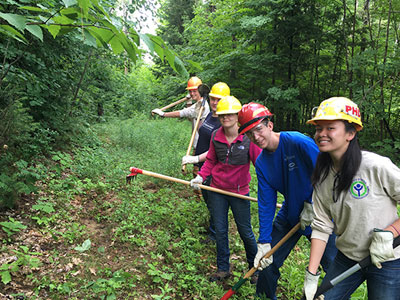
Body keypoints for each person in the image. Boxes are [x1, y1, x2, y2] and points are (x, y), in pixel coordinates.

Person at [237, 102, 338, 299]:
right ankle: (264, 297)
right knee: (267, 262)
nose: (256, 137)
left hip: (323, 216)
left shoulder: (297, 141)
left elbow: (328, 173)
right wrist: (264, 241)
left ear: (270, 125)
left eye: (258, 129)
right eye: (250, 134)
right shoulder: (262, 163)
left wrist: (313, 203)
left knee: (335, 268)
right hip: (291, 215)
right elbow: (266, 204)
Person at [303, 97, 400, 300]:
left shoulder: (376, 166)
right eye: (319, 128)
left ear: (351, 133)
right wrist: (311, 275)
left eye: (330, 128)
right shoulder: (322, 176)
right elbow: (321, 226)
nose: (322, 134)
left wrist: (391, 232)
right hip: (346, 258)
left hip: (387, 260)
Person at [190, 96, 261, 283]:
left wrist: (269, 188)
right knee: (220, 230)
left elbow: (260, 165)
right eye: (222, 114)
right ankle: (223, 269)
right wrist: (200, 177)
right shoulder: (216, 135)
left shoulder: (248, 137)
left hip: (239, 192)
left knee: (245, 231)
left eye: (230, 114)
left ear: (237, 115)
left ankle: (255, 269)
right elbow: (211, 160)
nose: (225, 118)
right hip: (217, 190)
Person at [181, 82, 230, 243]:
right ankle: (213, 228)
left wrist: (196, 158)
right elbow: (195, 109)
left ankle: (216, 234)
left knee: (215, 201)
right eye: (213, 99)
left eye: (219, 100)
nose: (215, 103)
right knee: (208, 198)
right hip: (203, 165)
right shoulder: (208, 113)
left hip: (213, 166)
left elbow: (218, 148)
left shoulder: (223, 122)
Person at [151, 76, 210, 151]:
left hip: (201, 145)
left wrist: (163, 114)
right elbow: (190, 118)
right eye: (190, 91)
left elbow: (182, 113)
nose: (192, 93)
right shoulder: (198, 104)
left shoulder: (201, 105)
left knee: (198, 162)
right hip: (198, 143)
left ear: (200, 91)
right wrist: (189, 102)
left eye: (194, 91)